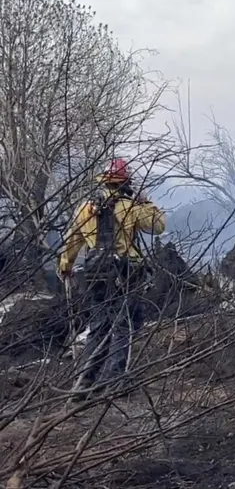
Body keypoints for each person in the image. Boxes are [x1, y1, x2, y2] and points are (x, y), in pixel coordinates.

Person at [58, 158, 166, 399]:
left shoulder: (85, 207)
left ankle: (85, 383)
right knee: (124, 326)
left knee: (97, 327)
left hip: (94, 274)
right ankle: (114, 382)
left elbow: (73, 239)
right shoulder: (131, 206)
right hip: (125, 275)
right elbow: (159, 226)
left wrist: (65, 265)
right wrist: (145, 201)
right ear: (126, 181)